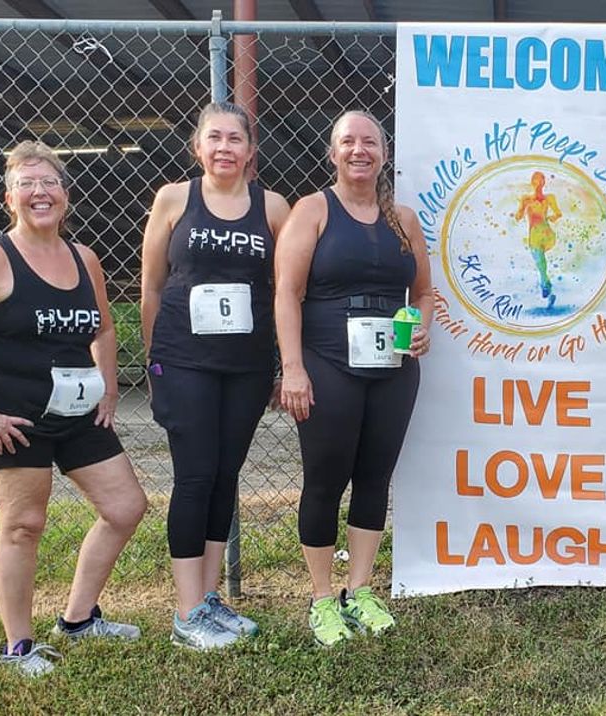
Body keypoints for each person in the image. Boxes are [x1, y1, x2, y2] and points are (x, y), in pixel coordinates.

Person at [0, 140, 147, 676]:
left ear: (66, 195)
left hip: (77, 411)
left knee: (125, 507)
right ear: (9, 199)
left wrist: (109, 389)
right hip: (11, 418)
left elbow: (105, 328)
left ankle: (79, 618)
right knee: (23, 524)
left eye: (49, 183)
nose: (40, 193)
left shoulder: (83, 258)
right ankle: (17, 644)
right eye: (27, 184)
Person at [275, 110, 432, 647]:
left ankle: (359, 590)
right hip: (327, 366)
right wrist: (292, 367)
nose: (359, 150)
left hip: (392, 371)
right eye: (348, 141)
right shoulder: (312, 211)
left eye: (369, 141)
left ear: (385, 154)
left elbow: (425, 293)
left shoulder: (403, 220)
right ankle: (322, 598)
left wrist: (423, 328)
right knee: (325, 480)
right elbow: (286, 294)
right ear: (332, 152)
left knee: (375, 478)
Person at [140, 101, 291, 650]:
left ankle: (205, 599)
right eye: (215, 138)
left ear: (251, 152)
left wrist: (284, 361)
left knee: (225, 477)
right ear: (197, 147)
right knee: (195, 475)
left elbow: (286, 290)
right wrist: (153, 360)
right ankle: (185, 614)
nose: (224, 147)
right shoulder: (173, 199)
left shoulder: (273, 207)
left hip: (245, 367)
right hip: (183, 359)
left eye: (235, 139)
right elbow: (152, 286)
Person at [515, 170, 563, 308]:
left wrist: (554, 217)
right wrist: (519, 212)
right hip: (534, 234)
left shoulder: (549, 198)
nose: (538, 183)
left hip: (546, 232)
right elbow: (518, 215)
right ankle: (548, 289)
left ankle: (546, 286)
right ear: (531, 182)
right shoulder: (526, 199)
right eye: (535, 180)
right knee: (541, 264)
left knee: (540, 262)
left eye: (541, 181)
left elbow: (558, 213)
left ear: (544, 183)